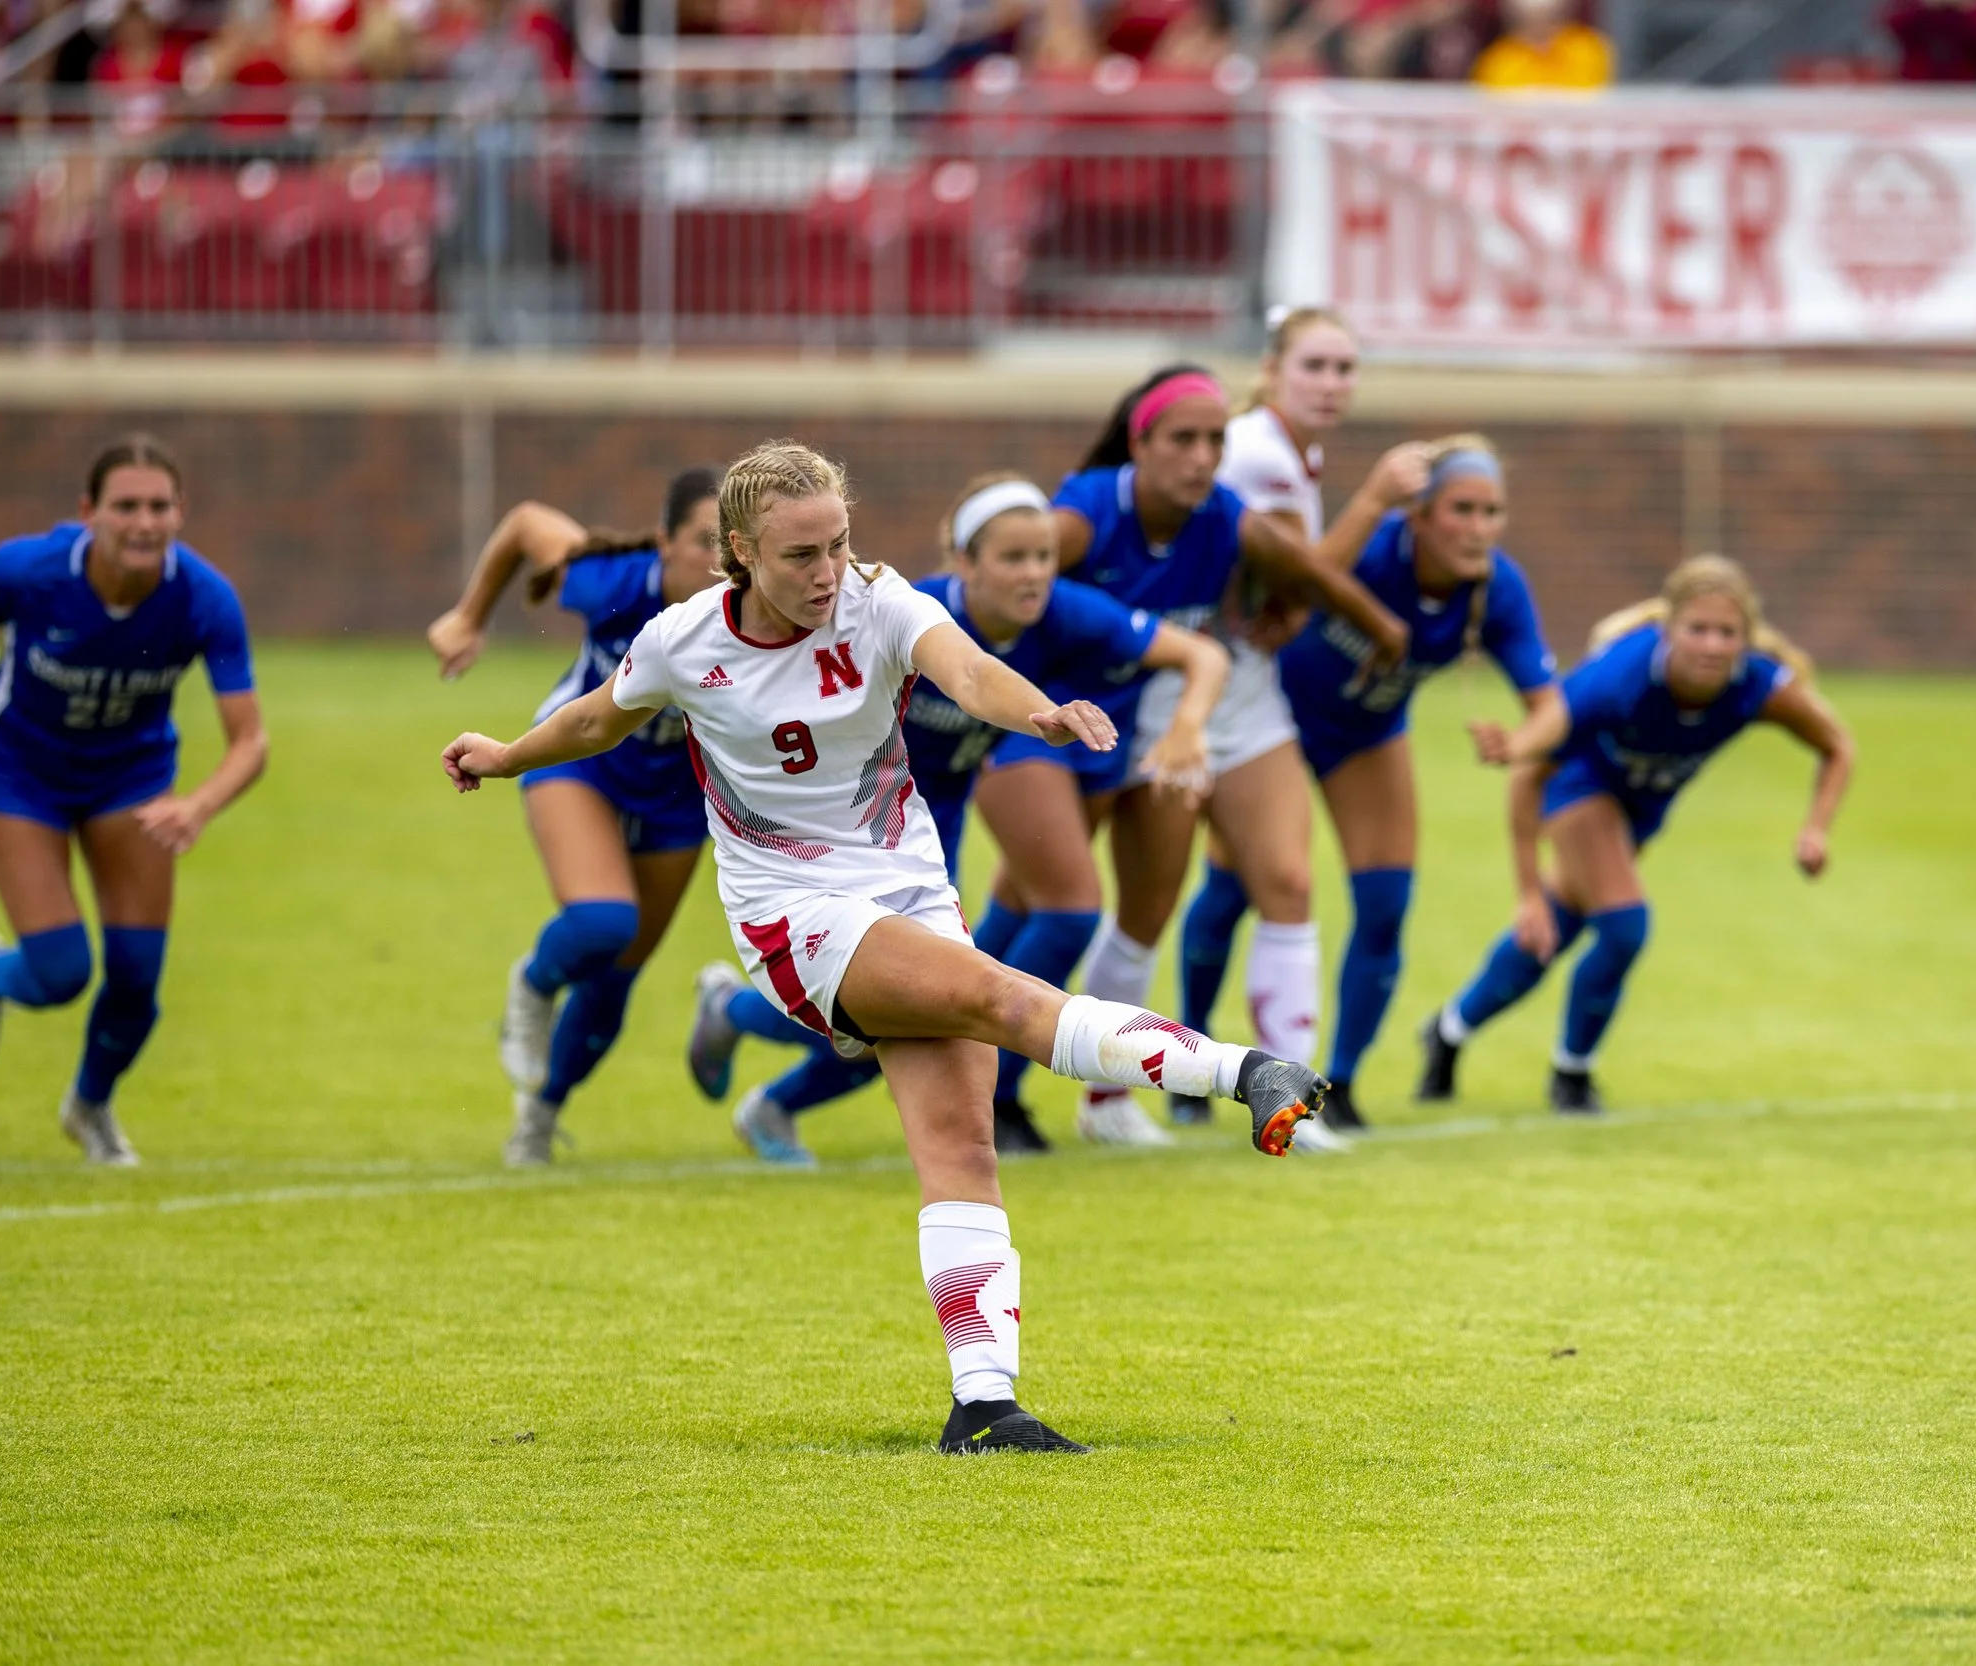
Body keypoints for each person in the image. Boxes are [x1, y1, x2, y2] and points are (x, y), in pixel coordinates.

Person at [439, 439, 1329, 1454]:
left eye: (838, 543)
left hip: (907, 888)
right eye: (800, 555)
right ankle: (1247, 1070)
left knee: (961, 1147)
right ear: (740, 551)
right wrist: (507, 753)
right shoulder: (685, 638)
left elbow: (968, 666)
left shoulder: (879, 601)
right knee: (1006, 999)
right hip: (793, 914)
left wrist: (1034, 710)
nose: (827, 572)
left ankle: (984, 1405)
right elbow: (598, 717)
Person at [684, 471, 1230, 1163]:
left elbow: (1200, 653)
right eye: (1011, 558)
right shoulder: (906, 612)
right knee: (913, 1001)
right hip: (845, 840)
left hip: (933, 831)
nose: (1033, 574)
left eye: (1043, 557)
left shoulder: (1063, 612)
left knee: (938, 1003)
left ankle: (775, 1096)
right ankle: (738, 1021)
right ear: (963, 563)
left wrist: (1187, 727)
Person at [979, 365, 1409, 1152]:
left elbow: (1303, 567)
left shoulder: (1223, 516)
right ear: (1139, 443)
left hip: (1194, 717)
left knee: (1286, 878)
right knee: (1080, 907)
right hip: (1081, 727)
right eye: (1183, 438)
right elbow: (997, 582)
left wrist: (1380, 629)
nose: (1203, 455)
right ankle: (1036, 1089)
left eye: (1215, 439)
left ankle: (1292, 1094)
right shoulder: (1080, 516)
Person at [1419, 555, 1854, 1114]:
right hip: (1578, 787)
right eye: (1697, 629)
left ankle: (1449, 1031)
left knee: (1561, 927)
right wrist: (1526, 885)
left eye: (1728, 633)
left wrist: (1816, 829)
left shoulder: (1760, 686)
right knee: (1625, 926)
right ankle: (1571, 1075)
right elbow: (1530, 768)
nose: (1712, 646)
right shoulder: (1621, 677)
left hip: (1640, 812)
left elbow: (1838, 746)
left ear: (1748, 639)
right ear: (1666, 630)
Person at [0, 436, 268, 1164]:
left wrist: (199, 805)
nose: (143, 522)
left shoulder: (204, 598)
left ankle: (89, 1106)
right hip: (16, 771)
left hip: (131, 780)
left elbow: (250, 740)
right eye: (126, 506)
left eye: (159, 506)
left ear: (181, 512)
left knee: (136, 976)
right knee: (60, 972)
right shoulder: (32, 572)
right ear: (88, 512)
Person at [426, 469, 760, 1166]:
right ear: (664, 542)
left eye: (731, 547)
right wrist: (468, 616)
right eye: (700, 541)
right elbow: (524, 520)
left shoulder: (760, 613)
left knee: (615, 977)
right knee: (604, 922)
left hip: (676, 796)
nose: (717, 562)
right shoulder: (612, 582)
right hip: (576, 759)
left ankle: (539, 1115)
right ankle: (535, 982)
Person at [1174, 305, 1431, 1140]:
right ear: (1274, 368)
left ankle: (1281, 1095)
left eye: (1346, 368)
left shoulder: (1281, 451)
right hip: (1188, 699)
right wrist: (1376, 499)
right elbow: (1310, 573)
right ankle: (1125, 1089)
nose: (1332, 383)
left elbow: (1279, 581)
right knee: (1095, 902)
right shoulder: (1259, 453)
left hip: (1239, 697)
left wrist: (1281, 597)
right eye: (1315, 365)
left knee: (1269, 882)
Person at [1271, 437, 1561, 1130]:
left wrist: (1518, 742)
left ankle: (1336, 1084)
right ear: (1420, 515)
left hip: (1367, 734)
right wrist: (1370, 499)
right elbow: (1297, 590)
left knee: (1385, 902)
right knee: (1248, 887)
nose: (1480, 526)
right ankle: (1196, 1079)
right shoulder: (1375, 550)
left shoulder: (1498, 586)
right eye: (1462, 508)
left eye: (1493, 511)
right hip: (1277, 720)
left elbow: (1551, 706)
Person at [1470, 0, 1614, 90]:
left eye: (1551, 20)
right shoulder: (1497, 59)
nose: (1540, 29)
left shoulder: (1588, 49)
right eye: (1529, 22)